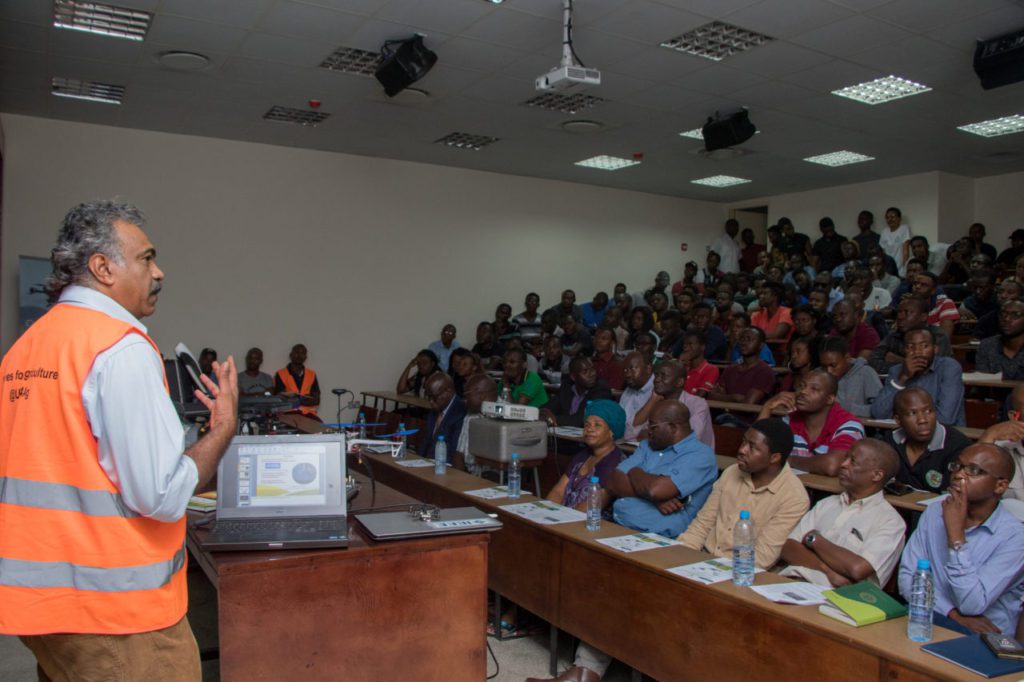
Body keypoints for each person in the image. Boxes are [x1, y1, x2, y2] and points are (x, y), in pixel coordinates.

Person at [0, 201, 239, 679]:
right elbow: (162, 495)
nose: (159, 271)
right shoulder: (120, 347)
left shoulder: (28, 346)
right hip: (117, 615)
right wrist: (223, 428)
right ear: (103, 268)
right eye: (147, 258)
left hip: (44, 605)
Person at [533, 401, 716, 682]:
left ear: (674, 427)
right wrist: (651, 490)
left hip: (665, 543)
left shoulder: (700, 455)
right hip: (621, 531)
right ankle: (584, 669)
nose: (646, 432)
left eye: (652, 427)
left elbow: (654, 487)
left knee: (612, 585)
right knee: (586, 569)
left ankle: (585, 672)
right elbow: (615, 481)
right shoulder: (647, 447)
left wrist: (645, 483)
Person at [898, 444, 1024, 636]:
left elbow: (972, 604)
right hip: (932, 620)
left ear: (1000, 486)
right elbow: (908, 579)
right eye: (956, 466)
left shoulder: (1015, 538)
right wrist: (952, 614)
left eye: (973, 471)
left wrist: (956, 538)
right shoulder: (934, 512)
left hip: (984, 639)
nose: (958, 475)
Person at [678, 419, 809, 567]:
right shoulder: (732, 472)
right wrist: (681, 555)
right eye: (743, 442)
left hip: (742, 571)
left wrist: (717, 566)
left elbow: (762, 557)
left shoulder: (794, 497)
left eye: (752, 447)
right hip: (703, 557)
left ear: (774, 458)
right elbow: (702, 525)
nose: (742, 450)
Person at [779, 439, 906, 587]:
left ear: (877, 475)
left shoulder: (890, 521)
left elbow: (857, 569)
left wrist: (814, 540)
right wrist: (827, 570)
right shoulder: (827, 504)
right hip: (791, 583)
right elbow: (788, 549)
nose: (843, 464)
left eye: (853, 461)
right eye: (845, 458)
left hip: (837, 600)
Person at [759, 369, 865, 476]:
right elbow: (756, 450)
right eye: (801, 386)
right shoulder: (790, 420)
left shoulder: (848, 424)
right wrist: (767, 407)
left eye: (814, 389)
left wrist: (787, 460)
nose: (803, 391)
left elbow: (832, 465)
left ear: (829, 399)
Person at [883, 388, 972, 494]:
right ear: (898, 420)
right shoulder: (890, 440)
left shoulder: (958, 446)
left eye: (928, 411)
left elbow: (953, 495)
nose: (922, 420)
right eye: (913, 413)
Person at [546, 400, 627, 516]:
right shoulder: (583, 455)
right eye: (586, 424)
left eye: (597, 425)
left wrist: (560, 520)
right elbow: (558, 491)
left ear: (612, 431)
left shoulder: (616, 463)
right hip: (562, 518)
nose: (589, 429)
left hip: (587, 525)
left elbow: (590, 507)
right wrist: (547, 512)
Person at [871, 328, 965, 426]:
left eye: (924, 346)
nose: (917, 351)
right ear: (904, 350)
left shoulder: (948, 367)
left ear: (935, 349)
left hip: (945, 434)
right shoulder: (896, 370)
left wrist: (903, 418)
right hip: (905, 435)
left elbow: (946, 418)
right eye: (910, 347)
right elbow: (878, 413)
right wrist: (903, 378)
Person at [634, 360, 715, 449]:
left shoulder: (698, 404)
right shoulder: (657, 403)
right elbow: (634, 434)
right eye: (656, 375)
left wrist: (653, 435)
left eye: (663, 376)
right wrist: (652, 399)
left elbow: (688, 439)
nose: (656, 380)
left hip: (691, 458)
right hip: (660, 456)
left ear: (679, 382)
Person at [868, 296, 952, 374]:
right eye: (899, 312)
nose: (900, 317)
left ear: (923, 317)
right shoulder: (894, 335)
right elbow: (872, 362)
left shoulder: (937, 336)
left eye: (907, 313)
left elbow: (932, 370)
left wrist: (899, 360)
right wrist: (906, 367)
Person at [707, 327, 775, 405]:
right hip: (724, 413)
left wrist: (724, 397)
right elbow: (711, 396)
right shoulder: (730, 369)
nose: (744, 343)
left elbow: (749, 403)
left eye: (749, 339)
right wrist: (735, 398)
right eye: (742, 339)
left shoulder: (765, 371)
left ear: (761, 345)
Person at [541, 356, 613, 428]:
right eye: (585, 372)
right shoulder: (567, 386)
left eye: (592, 369)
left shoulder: (601, 389)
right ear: (573, 377)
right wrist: (545, 413)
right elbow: (548, 407)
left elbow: (582, 419)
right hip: (565, 435)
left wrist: (554, 419)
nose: (592, 374)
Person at [820, 336, 881, 418]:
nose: (828, 371)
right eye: (824, 366)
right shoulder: (819, 375)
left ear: (847, 358)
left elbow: (879, 410)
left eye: (833, 365)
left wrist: (843, 408)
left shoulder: (866, 373)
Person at [455, 373, 497, 473]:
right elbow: (459, 454)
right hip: (469, 476)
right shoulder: (471, 414)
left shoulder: (506, 416)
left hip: (493, 478)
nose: (464, 401)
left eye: (467, 396)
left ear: (482, 395)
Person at [421, 373, 467, 460]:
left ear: (448, 392)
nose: (430, 402)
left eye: (434, 397)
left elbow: (453, 451)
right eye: (428, 397)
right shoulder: (436, 409)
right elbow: (426, 441)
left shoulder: (460, 412)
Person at [975, 300, 1024, 379]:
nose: (1007, 319)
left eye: (1015, 315)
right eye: (1003, 314)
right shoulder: (987, 345)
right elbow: (982, 381)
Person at [275, 343, 320, 415]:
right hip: (288, 414)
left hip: (308, 414)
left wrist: (294, 399)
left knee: (320, 425)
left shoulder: (311, 374)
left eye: (302, 353)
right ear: (291, 355)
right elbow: (281, 400)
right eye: (297, 352)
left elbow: (316, 400)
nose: (299, 355)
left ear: (305, 357)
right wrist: (305, 398)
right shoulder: (281, 373)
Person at [619, 351, 655, 441]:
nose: (627, 374)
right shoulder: (628, 390)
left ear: (648, 369)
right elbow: (620, 422)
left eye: (632, 368)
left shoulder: (659, 390)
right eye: (625, 370)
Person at [913, 271, 960, 339]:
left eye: (923, 285)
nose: (917, 287)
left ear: (933, 290)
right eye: (915, 283)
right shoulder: (907, 305)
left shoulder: (945, 304)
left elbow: (944, 338)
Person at [751, 281, 793, 352]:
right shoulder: (757, 314)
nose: (760, 296)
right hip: (759, 353)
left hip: (782, 355)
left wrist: (756, 336)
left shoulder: (787, 312)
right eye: (761, 293)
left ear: (775, 296)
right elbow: (751, 334)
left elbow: (776, 335)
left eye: (765, 293)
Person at [679, 330, 718, 398]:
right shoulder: (681, 366)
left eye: (690, 344)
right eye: (684, 344)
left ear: (702, 347)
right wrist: (679, 365)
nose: (686, 348)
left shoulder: (710, 369)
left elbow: (699, 396)